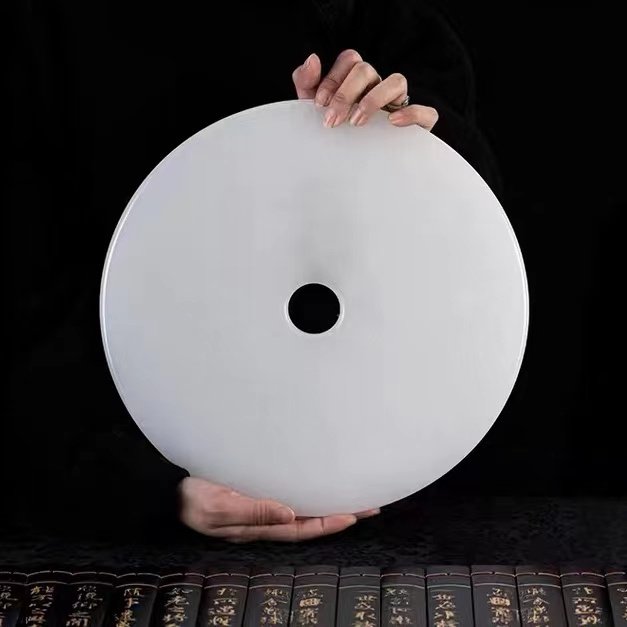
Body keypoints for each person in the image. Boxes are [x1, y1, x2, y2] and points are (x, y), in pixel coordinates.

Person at [6, 0, 500, 543]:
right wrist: (141, 489)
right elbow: (26, 301)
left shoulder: (369, 16)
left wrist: (411, 134)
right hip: (134, 509)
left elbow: (473, 252)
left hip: (397, 489)